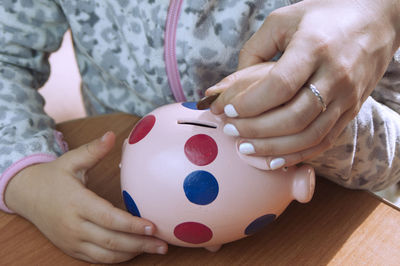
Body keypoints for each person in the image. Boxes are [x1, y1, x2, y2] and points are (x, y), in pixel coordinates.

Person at [0, 0, 399, 263]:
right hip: (116, 197)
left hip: (329, 225)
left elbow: (394, 157)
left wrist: (319, 124)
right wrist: (26, 177)